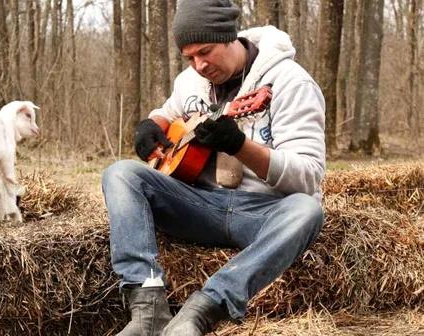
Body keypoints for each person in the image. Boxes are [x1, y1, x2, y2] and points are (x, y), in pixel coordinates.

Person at [101, 0, 327, 335]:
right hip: (199, 204)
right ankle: (148, 306)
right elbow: (167, 111)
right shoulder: (189, 81)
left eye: (205, 52)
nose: (199, 65)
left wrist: (240, 146)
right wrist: (151, 124)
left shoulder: (291, 83)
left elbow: (309, 175)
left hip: (263, 211)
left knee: (307, 211)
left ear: (230, 36)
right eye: (189, 57)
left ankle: (202, 311)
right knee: (120, 174)